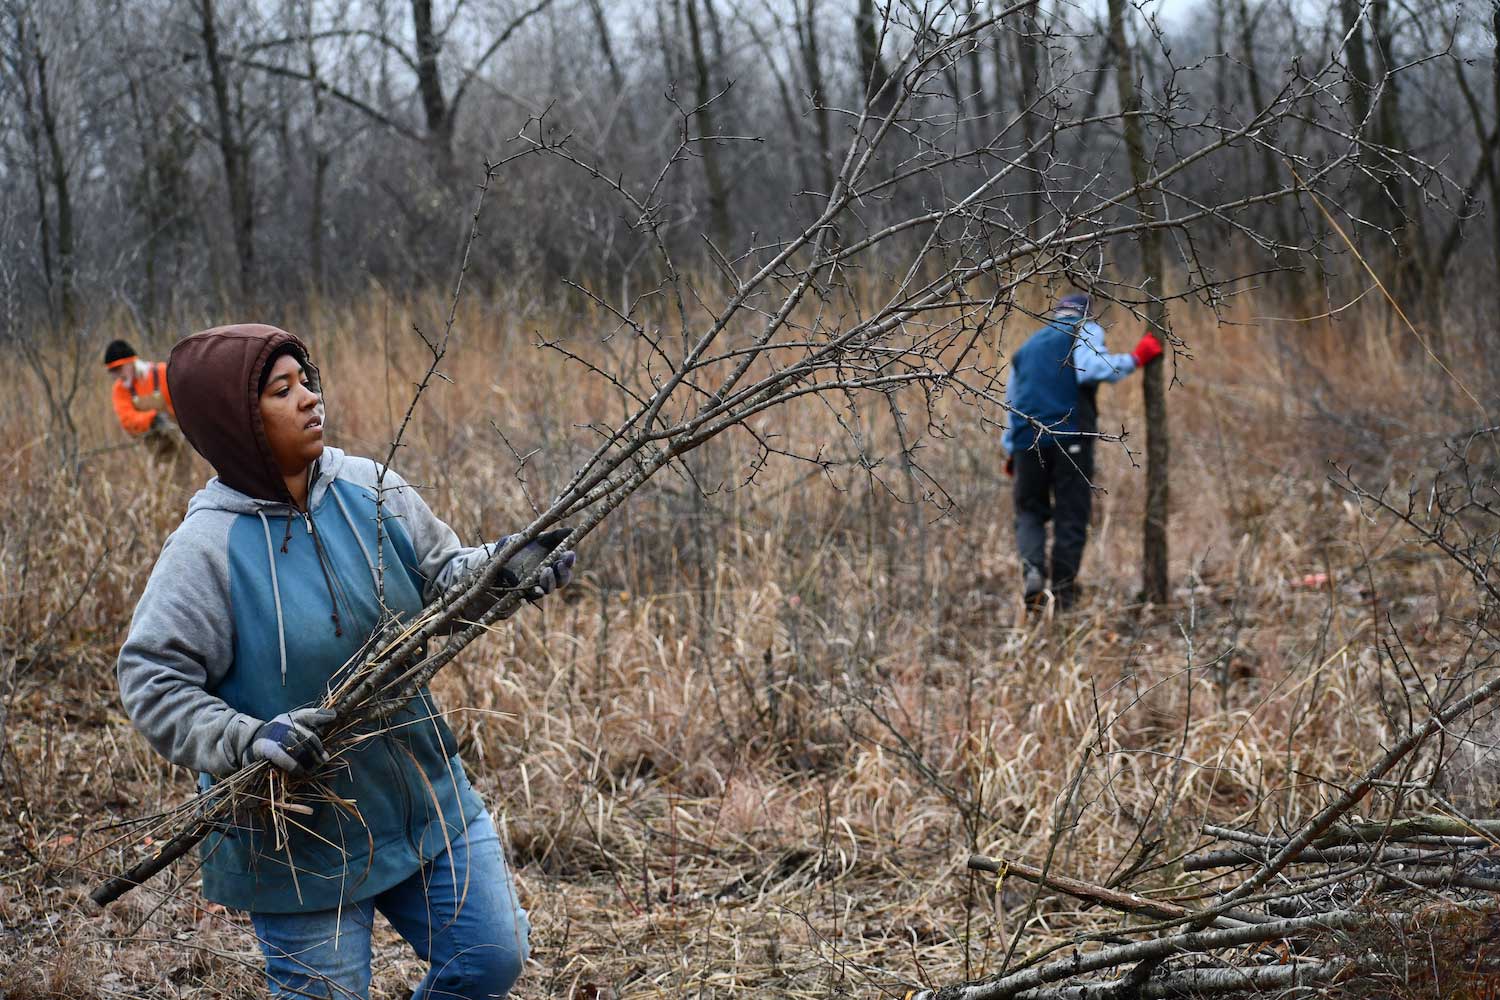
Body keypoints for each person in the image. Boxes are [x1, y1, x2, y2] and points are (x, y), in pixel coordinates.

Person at [114, 324, 575, 999]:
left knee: (491, 957)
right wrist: (246, 739)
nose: (309, 398)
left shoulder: (371, 488)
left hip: (416, 793)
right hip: (297, 840)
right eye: (282, 389)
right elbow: (152, 679)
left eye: (308, 381)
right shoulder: (206, 549)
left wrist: (506, 568)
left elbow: (448, 577)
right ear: (234, 421)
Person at [1001, 293, 1163, 609]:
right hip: (1068, 436)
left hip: (1025, 441)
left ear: (1057, 313)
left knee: (1029, 513)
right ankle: (1062, 595)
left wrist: (1011, 450)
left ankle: (1033, 570)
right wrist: (1134, 359)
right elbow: (1090, 369)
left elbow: (1010, 401)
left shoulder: (1027, 348)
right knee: (1071, 515)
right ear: (1084, 314)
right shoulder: (1084, 329)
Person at [103, 339, 182, 460]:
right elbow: (127, 419)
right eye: (112, 371)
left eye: (119, 368)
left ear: (131, 362)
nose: (116, 375)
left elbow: (184, 401)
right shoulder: (120, 389)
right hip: (151, 448)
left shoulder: (162, 372)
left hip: (181, 441)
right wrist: (153, 419)